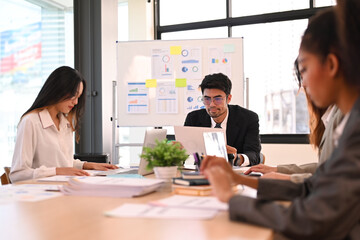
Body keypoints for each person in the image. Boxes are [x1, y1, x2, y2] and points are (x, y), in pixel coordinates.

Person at [201, 7, 360, 239]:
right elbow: (313, 185)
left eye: (304, 68)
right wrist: (237, 178)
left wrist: (232, 198)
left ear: (332, 65)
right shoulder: (349, 123)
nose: (302, 83)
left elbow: (309, 220)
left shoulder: (354, 129)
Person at [10, 66, 118, 183]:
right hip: (42, 194)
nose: (76, 102)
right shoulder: (31, 122)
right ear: (58, 90)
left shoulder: (65, 123)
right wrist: (57, 171)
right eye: (74, 95)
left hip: (64, 188)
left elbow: (63, 163)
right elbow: (18, 174)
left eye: (78, 97)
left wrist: (88, 165)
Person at [245, 84, 344, 183]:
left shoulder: (343, 116)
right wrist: (278, 170)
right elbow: (325, 167)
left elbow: (336, 177)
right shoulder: (329, 117)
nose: (303, 85)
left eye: (304, 71)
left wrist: (286, 178)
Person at [184, 73, 261, 166]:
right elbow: (186, 154)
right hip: (201, 173)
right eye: (207, 99)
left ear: (228, 99)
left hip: (233, 174)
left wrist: (236, 158)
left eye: (218, 99)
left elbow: (254, 155)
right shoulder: (193, 118)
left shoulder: (248, 118)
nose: (212, 104)